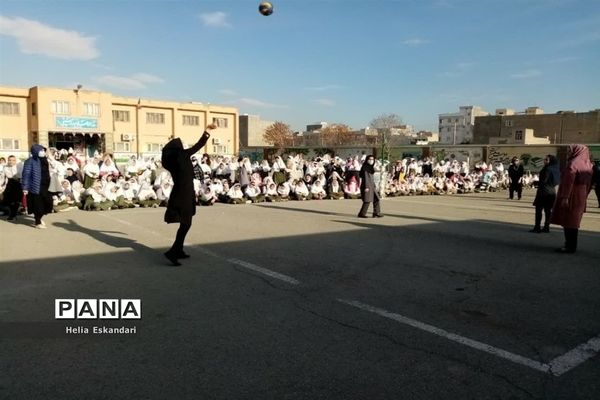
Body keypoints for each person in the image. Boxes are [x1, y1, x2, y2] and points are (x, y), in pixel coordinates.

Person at [161, 123, 217, 266]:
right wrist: (207, 131)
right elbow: (197, 146)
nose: (185, 146)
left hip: (181, 193)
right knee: (186, 223)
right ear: (178, 148)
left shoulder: (173, 160)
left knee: (185, 223)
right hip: (184, 194)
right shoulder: (182, 155)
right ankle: (173, 251)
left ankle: (178, 250)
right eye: (182, 144)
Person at [550, 144, 594, 254]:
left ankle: (569, 246)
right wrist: (585, 195)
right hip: (581, 194)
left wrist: (565, 197)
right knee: (574, 221)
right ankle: (571, 245)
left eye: (571, 150)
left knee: (568, 221)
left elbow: (568, 183)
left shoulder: (573, 164)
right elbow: (589, 184)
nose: (569, 152)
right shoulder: (588, 165)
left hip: (571, 194)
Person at [21, 144, 53, 228]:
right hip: (35, 187)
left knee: (48, 203)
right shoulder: (30, 161)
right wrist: (25, 187)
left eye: (43, 150)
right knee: (38, 205)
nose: (43, 152)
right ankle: (37, 222)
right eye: (41, 150)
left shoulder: (45, 160)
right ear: (36, 151)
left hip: (46, 186)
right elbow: (26, 174)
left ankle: (39, 217)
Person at [529, 155, 560, 233]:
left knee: (539, 209)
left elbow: (543, 181)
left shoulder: (548, 169)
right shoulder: (556, 169)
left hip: (544, 191)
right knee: (548, 211)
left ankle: (537, 227)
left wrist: (534, 182)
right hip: (552, 191)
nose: (544, 161)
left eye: (546, 159)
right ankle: (546, 227)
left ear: (551, 161)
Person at [2, 155, 23, 221]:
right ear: (8, 160)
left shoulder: (19, 167)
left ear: (15, 161)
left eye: (13, 160)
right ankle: (12, 214)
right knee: (9, 201)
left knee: (16, 201)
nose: (11, 162)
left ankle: (12, 215)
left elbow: (21, 175)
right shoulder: (5, 168)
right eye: (10, 160)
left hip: (18, 184)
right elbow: (2, 178)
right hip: (10, 184)